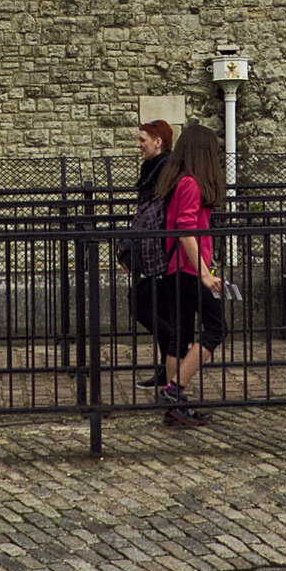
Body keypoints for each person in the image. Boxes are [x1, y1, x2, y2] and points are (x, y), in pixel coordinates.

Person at [152, 122, 224, 427]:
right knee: (216, 329)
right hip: (188, 270)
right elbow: (186, 231)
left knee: (180, 336)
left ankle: (174, 407)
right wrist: (205, 273)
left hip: (176, 269)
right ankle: (173, 393)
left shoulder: (177, 181)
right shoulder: (191, 184)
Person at [127, 119, 176, 389]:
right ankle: (168, 369)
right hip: (157, 252)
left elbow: (151, 216)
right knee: (158, 310)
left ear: (158, 142)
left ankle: (177, 354)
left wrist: (132, 249)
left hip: (160, 254)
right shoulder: (155, 168)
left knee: (141, 305)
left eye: (142, 140)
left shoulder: (163, 170)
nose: (138, 145)